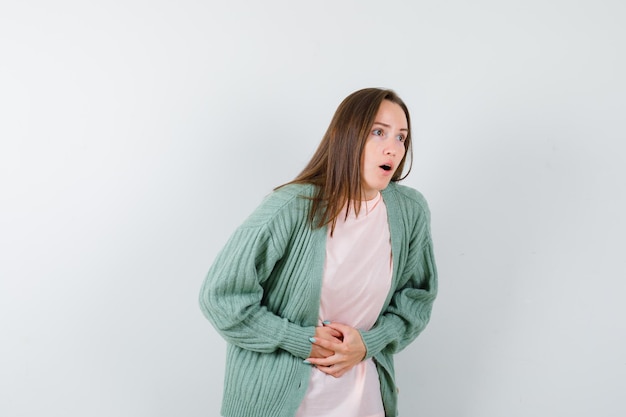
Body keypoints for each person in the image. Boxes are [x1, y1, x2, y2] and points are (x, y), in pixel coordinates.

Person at [199, 87, 437, 417]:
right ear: (348, 136)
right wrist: (299, 339)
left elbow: (417, 298)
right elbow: (221, 296)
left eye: (401, 138)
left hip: (362, 396)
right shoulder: (292, 207)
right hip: (282, 399)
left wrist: (370, 342)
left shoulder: (409, 211)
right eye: (379, 132)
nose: (392, 148)